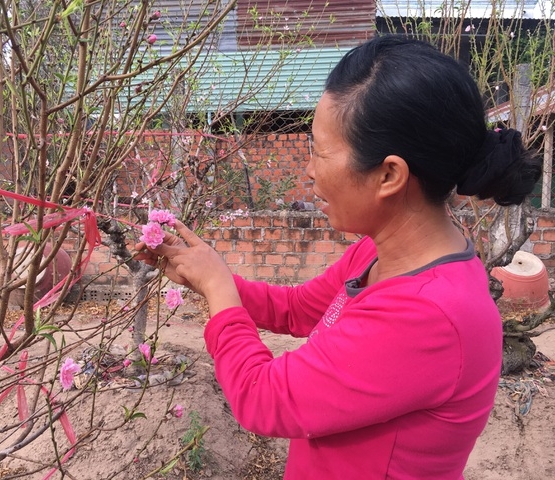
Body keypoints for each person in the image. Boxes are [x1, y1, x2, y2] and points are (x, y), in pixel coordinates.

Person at [136, 35, 542, 479]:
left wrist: (218, 289)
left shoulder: (430, 315)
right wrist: (202, 273)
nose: (309, 170)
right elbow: (295, 310)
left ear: (389, 174)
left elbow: (261, 398)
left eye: (320, 151)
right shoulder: (380, 253)